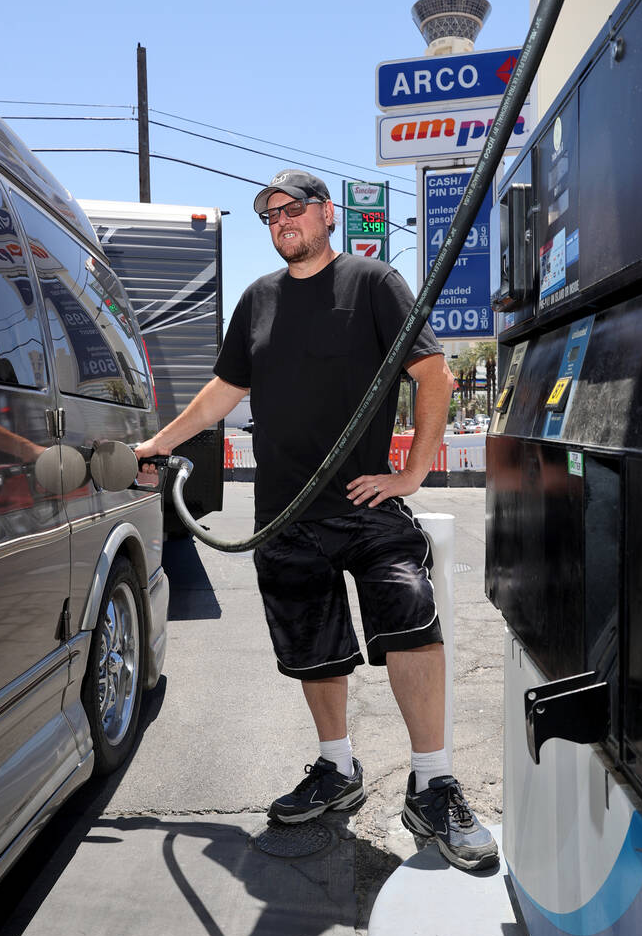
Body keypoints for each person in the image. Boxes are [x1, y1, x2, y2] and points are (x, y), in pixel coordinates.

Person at [135, 170, 498, 872]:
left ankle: (433, 783)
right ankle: (337, 769)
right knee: (314, 648)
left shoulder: (372, 283)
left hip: (365, 505)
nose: (279, 222)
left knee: (412, 623)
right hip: (284, 514)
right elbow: (225, 390)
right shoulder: (259, 301)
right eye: (268, 215)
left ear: (327, 214)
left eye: (291, 209)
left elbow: (432, 375)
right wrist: (161, 442)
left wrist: (413, 473)